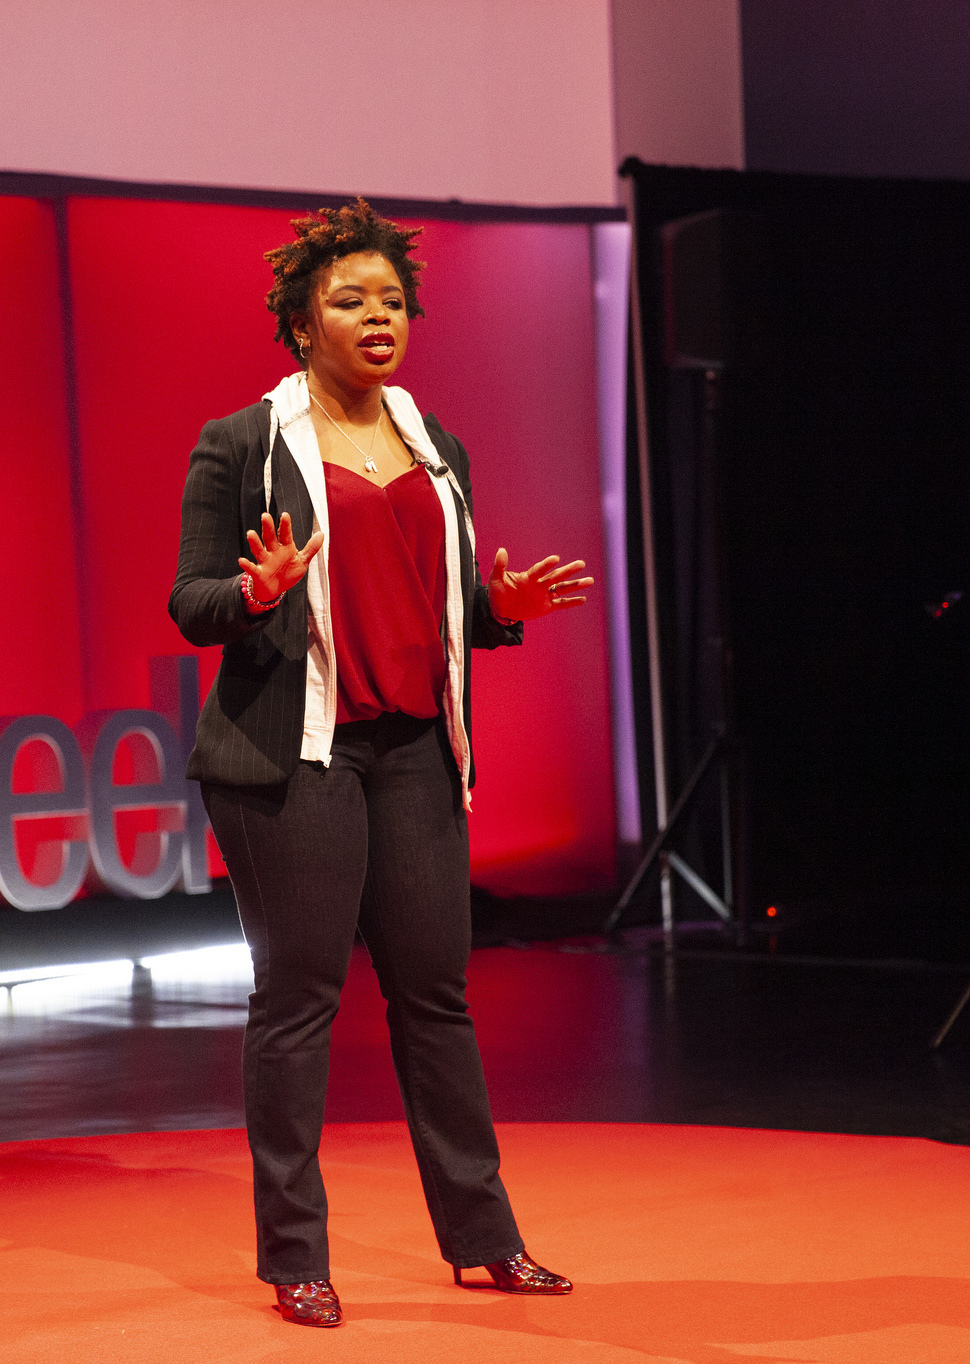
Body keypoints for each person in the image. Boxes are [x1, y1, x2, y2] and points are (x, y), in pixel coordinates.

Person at [168, 199, 593, 1329]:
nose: (378, 316)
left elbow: (438, 598)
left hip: (412, 747)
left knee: (437, 999)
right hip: (291, 758)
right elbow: (192, 600)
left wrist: (496, 608)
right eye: (350, 299)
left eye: (393, 300)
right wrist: (254, 593)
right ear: (300, 322)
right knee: (300, 1000)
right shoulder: (243, 443)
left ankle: (485, 1237)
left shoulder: (430, 438)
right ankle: (295, 1255)